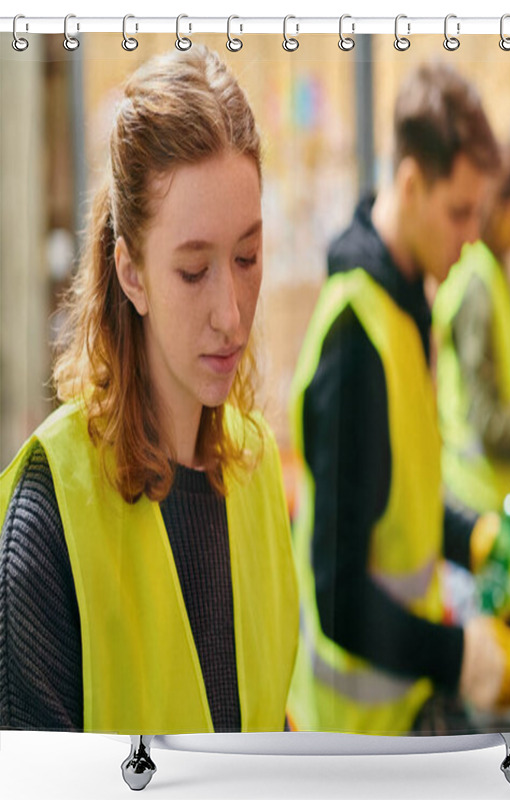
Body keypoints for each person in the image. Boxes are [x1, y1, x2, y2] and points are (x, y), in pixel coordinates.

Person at [0, 46, 298, 734]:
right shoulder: (50, 522)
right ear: (131, 274)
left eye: (248, 258)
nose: (231, 312)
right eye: (193, 271)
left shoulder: (255, 475)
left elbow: (266, 730)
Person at [286, 64, 510, 737]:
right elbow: (338, 601)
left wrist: (472, 537)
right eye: (459, 212)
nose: (471, 235)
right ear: (408, 184)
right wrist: (463, 657)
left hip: (401, 707)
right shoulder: (355, 342)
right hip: (349, 736)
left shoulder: (408, 311)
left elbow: (396, 497)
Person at [433, 144, 510, 515]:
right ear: (498, 203)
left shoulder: (494, 277)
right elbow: (487, 421)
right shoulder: (478, 285)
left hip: (495, 497)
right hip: (473, 502)